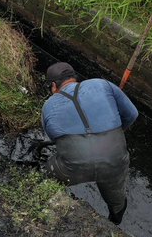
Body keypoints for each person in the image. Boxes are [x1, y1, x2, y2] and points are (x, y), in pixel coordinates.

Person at [39, 61, 139, 224]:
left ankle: (53, 205)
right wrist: (115, 129)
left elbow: (54, 139)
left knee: (48, 173)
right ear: (74, 78)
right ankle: (114, 223)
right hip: (114, 161)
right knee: (116, 200)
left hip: (75, 168)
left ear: (53, 86)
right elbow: (132, 114)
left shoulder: (48, 106)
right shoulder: (102, 84)